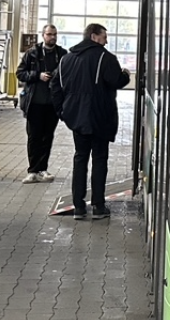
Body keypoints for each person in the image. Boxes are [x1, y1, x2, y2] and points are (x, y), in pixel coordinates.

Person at [50, 23, 130, 221]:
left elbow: (54, 85)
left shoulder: (66, 59)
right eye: (104, 36)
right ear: (94, 37)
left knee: (80, 159)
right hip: (100, 118)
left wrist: (62, 111)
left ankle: (78, 207)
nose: (107, 40)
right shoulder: (106, 58)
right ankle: (98, 206)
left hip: (77, 119)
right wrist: (126, 75)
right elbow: (116, 81)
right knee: (100, 160)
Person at [15, 24, 67, 184]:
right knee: (34, 137)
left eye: (55, 34)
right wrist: (38, 75)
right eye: (49, 34)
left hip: (52, 104)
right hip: (34, 103)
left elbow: (68, 76)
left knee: (47, 137)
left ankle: (43, 169)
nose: (52, 37)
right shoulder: (32, 54)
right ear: (43, 35)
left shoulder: (62, 54)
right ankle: (32, 170)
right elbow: (20, 73)